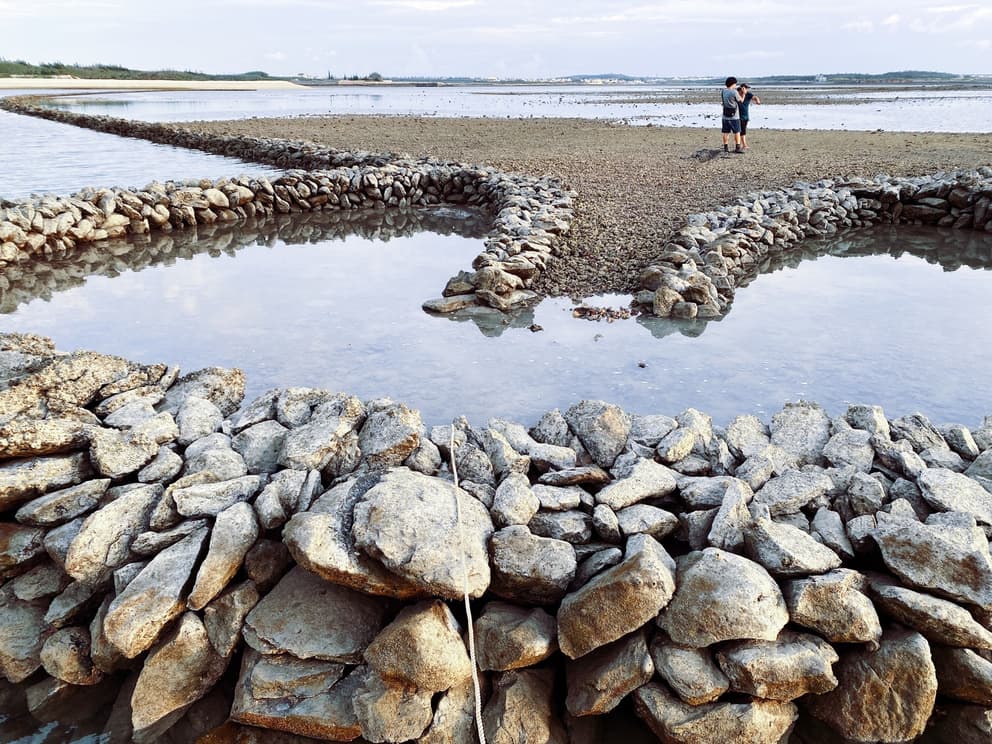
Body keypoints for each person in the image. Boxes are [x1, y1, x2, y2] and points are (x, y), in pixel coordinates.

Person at [721, 77, 744, 154]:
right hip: (734, 116)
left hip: (725, 115)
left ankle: (726, 148)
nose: (736, 85)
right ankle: (737, 147)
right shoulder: (734, 92)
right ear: (733, 84)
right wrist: (743, 93)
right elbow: (741, 101)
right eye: (735, 84)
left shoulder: (723, 91)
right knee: (737, 132)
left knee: (725, 132)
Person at [738, 83, 761, 150]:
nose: (746, 89)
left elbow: (755, 97)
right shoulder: (736, 93)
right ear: (742, 87)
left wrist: (757, 101)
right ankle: (743, 145)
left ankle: (742, 145)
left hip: (745, 116)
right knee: (739, 131)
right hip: (737, 115)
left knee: (743, 130)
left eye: (747, 88)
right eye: (745, 88)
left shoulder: (748, 94)